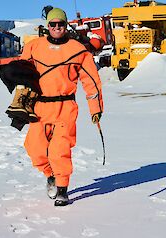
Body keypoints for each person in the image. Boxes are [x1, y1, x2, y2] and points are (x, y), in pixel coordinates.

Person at [20, 7, 103, 206]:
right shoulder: (34, 47)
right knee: (35, 148)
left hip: (65, 107)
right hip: (39, 106)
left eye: (61, 24)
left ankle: (62, 189)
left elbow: (91, 81)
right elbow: (22, 73)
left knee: (59, 150)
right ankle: (51, 175)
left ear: (66, 25)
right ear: (47, 26)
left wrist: (95, 108)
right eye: (53, 24)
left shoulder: (78, 50)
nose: (57, 27)